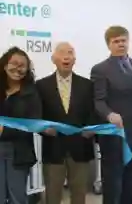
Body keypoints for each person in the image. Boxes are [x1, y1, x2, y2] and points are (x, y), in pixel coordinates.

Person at [90, 26, 132, 204]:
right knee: (113, 185)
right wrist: (109, 114)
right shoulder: (100, 70)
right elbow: (98, 101)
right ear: (109, 45)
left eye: (123, 40)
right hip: (114, 136)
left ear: (128, 41)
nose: (120, 44)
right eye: (116, 41)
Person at [36, 42, 97, 204]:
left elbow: (93, 112)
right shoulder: (41, 86)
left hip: (80, 147)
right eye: (62, 52)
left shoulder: (87, 85)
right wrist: (43, 129)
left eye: (70, 52)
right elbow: (37, 116)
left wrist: (92, 130)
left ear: (74, 59)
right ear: (53, 59)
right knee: (53, 196)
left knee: (79, 196)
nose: (66, 56)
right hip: (53, 149)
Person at [0, 47, 41, 204]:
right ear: (4, 65)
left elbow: (33, 122)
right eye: (14, 63)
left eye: (22, 65)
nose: (18, 68)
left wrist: (4, 129)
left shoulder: (31, 92)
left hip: (19, 151)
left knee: (17, 197)